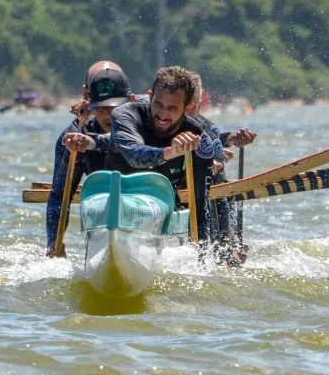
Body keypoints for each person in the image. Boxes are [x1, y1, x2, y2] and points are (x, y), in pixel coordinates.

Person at [62, 66, 218, 251]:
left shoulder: (198, 140)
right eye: (158, 104)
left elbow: (200, 211)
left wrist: (199, 263)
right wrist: (170, 152)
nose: (162, 114)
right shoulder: (126, 114)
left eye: (172, 108)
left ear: (189, 108)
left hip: (161, 200)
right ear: (150, 96)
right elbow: (135, 155)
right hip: (115, 193)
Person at [45, 61, 135, 257]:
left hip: (139, 203)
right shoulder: (75, 136)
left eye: (115, 107)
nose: (109, 115)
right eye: (102, 108)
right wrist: (54, 242)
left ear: (129, 102)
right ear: (90, 103)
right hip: (102, 204)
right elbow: (59, 195)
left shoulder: (146, 121)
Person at [187, 72, 257, 265]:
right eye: (184, 106)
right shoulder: (165, 118)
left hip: (202, 188)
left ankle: (227, 248)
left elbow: (213, 138)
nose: (189, 111)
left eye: (193, 107)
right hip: (177, 185)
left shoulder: (205, 125)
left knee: (221, 181)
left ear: (199, 104)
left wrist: (230, 139)